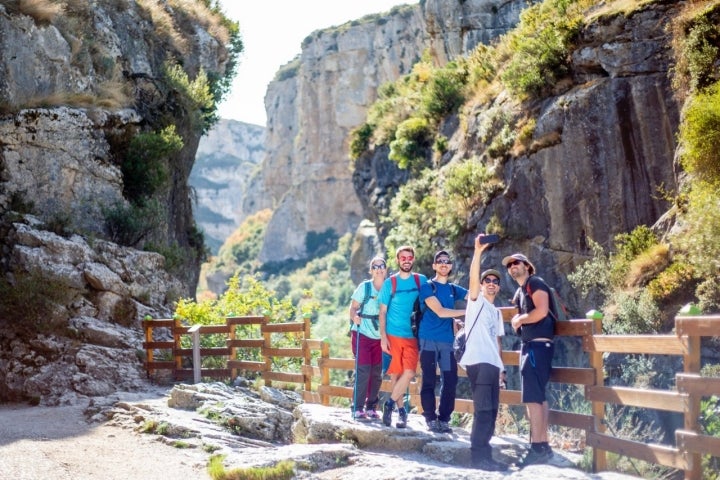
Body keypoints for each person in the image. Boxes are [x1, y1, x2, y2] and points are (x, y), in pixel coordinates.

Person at [459, 234, 508, 471]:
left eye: (495, 281)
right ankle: (478, 458)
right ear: (481, 285)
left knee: (492, 410)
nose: (491, 283)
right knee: (483, 409)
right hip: (478, 362)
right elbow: (472, 277)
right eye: (487, 280)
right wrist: (478, 251)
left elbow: (497, 342)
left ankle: (486, 455)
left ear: (498, 287)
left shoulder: (496, 312)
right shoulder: (475, 302)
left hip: (492, 364)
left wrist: (502, 370)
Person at [504, 252, 555, 467]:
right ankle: (542, 445)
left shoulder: (535, 282)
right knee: (538, 397)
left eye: (517, 262)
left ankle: (536, 448)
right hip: (534, 346)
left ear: (527, 265)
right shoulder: (521, 290)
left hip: (537, 346)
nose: (512, 266)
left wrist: (518, 319)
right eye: (509, 265)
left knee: (533, 398)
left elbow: (542, 311)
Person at [417, 250, 468, 433]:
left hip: (447, 342)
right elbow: (440, 311)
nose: (444, 264)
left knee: (450, 379)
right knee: (429, 379)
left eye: (447, 261)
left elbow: (475, 297)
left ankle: (444, 419)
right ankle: (430, 417)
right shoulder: (427, 287)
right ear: (434, 266)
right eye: (440, 261)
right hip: (428, 339)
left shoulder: (455, 289)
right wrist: (465, 313)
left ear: (451, 266)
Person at [378, 245, 427, 428]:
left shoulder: (420, 280)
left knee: (410, 372)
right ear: (398, 260)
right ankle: (401, 413)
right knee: (396, 374)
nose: (406, 260)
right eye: (403, 258)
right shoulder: (391, 283)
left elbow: (430, 303)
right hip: (393, 334)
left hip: (413, 335)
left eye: (409, 257)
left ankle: (389, 403)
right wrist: (383, 337)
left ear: (413, 260)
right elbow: (382, 312)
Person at [348, 256, 387, 420]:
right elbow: (353, 308)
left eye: (381, 266)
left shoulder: (388, 288)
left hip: (380, 336)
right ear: (371, 270)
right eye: (375, 266)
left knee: (377, 372)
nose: (379, 269)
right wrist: (354, 317)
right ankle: (357, 407)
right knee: (364, 371)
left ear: (385, 269)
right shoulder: (364, 287)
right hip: (362, 333)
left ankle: (371, 407)